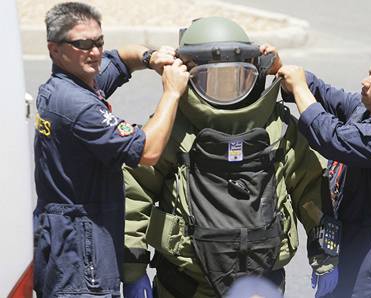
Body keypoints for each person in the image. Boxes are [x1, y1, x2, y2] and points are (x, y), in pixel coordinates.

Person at [122, 16, 338, 298]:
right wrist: (133, 269)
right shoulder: (173, 127)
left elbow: (311, 189)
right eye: (211, 80)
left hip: (259, 285)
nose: (224, 90)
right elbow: (135, 193)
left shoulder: (277, 127)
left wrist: (325, 255)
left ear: (253, 74)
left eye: (236, 79)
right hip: (184, 285)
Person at [33, 2, 189, 297]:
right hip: (79, 255)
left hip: (61, 238)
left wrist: (150, 57)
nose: (95, 52)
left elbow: (121, 59)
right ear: (54, 49)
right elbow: (148, 151)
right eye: (83, 44)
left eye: (99, 42)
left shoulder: (74, 81)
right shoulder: (77, 106)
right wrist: (172, 92)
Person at [277, 48, 371, 297]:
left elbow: (331, 138)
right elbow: (325, 94)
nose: (365, 83)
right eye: (369, 74)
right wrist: (283, 71)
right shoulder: (370, 109)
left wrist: (300, 88)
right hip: (351, 240)